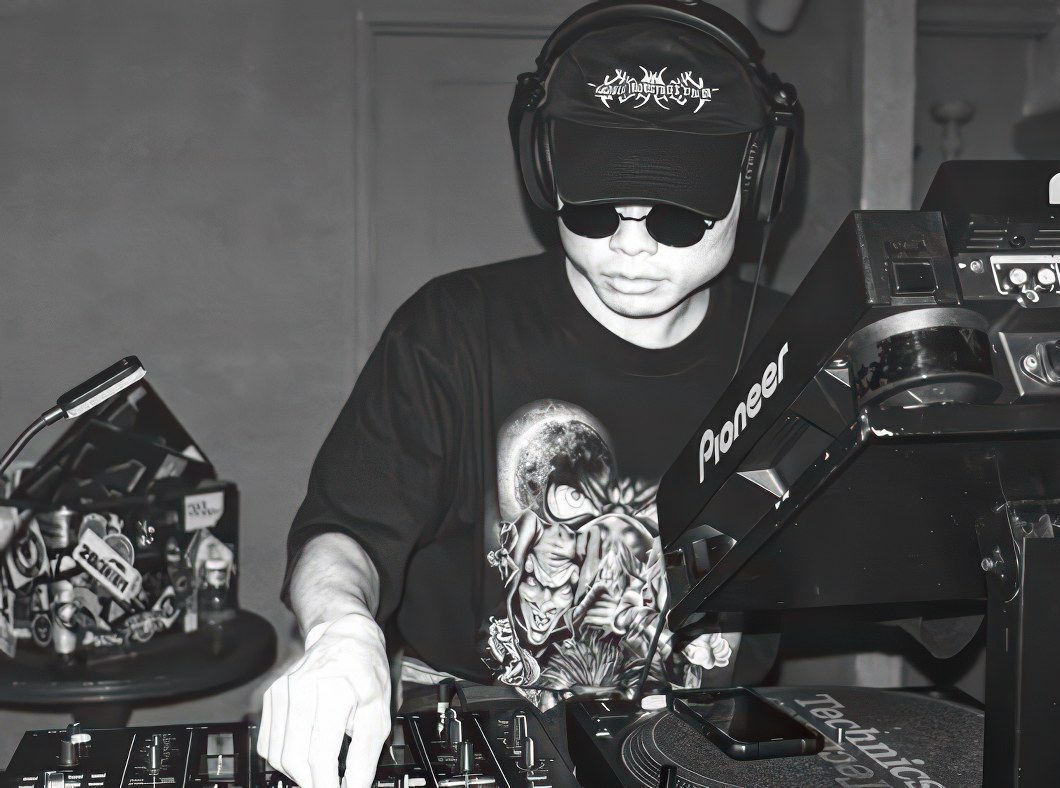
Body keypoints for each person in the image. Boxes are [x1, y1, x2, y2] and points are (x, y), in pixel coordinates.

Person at [256, 2, 800, 786]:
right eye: (595, 207)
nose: (630, 244)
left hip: (706, 745)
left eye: (677, 216)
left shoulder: (799, 345)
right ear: (544, 172)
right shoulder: (451, 327)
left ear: (760, 179)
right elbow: (347, 531)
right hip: (473, 732)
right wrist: (342, 631)